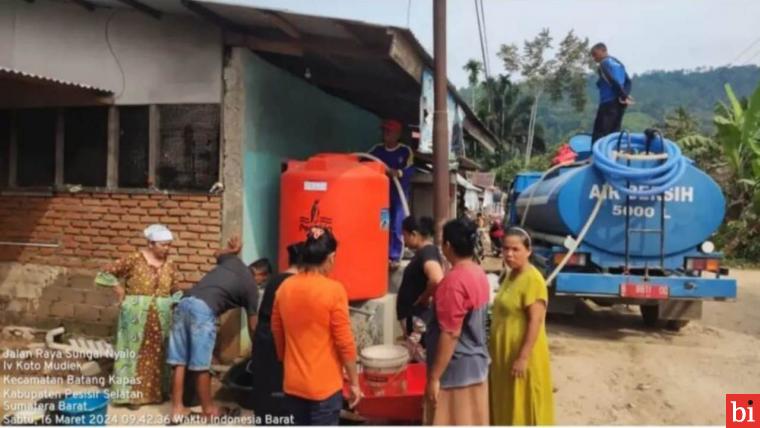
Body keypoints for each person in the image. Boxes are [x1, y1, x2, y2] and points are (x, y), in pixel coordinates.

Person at [271, 228, 361, 425]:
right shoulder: (334, 291)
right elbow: (344, 342)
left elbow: (277, 332)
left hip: (293, 385)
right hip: (324, 389)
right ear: (331, 257)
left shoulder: (284, 288)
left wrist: (287, 362)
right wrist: (354, 383)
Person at [167, 236, 258, 422]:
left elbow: (217, 253)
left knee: (179, 361)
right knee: (201, 364)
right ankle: (209, 412)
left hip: (183, 302)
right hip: (203, 310)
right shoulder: (251, 285)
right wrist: (257, 348)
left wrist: (232, 251)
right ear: (261, 275)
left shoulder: (234, 261)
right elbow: (253, 325)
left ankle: (177, 410)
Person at [100, 224, 182, 409]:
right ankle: (131, 397)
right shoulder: (134, 259)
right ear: (151, 243)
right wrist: (119, 290)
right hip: (135, 315)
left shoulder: (169, 263)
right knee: (132, 353)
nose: (167, 249)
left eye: (169, 245)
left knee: (156, 354)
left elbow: (175, 287)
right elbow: (105, 273)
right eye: (163, 245)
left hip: (161, 316)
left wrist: (174, 301)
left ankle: (155, 394)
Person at [424, 218, 490, 425]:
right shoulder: (478, 272)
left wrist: (434, 377)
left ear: (448, 246)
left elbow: (451, 333)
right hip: (476, 366)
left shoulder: (453, 282)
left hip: (455, 373)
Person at [489, 227, 554, 425]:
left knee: (523, 403)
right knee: (506, 402)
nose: (509, 254)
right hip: (504, 354)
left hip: (522, 355)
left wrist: (523, 357)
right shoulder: (510, 275)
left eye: (515, 249)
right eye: (506, 249)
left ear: (528, 251)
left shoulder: (533, 280)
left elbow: (536, 321)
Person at [249, 242, 303, 421]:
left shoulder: (275, 280)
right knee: (279, 392)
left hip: (263, 336)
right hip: (277, 338)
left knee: (264, 390)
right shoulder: (294, 283)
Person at [369, 119, 415, 269]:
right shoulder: (377, 150)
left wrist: (398, 172)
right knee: (383, 224)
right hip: (382, 197)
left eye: (389, 131)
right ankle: (381, 254)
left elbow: (410, 169)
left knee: (397, 223)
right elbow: (365, 161)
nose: (386, 134)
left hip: (398, 196)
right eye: (384, 131)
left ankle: (394, 257)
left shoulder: (405, 151)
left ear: (397, 134)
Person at [397, 216, 444, 336]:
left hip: (418, 317)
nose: (404, 240)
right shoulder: (426, 252)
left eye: (405, 235)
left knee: (420, 352)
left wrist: (424, 297)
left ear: (414, 234)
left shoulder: (427, 251)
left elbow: (436, 279)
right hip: (415, 317)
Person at [590, 43, 633, 143]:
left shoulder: (604, 63)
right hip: (620, 103)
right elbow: (628, 81)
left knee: (600, 133)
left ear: (603, 51)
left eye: (595, 54)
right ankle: (612, 155)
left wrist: (623, 95)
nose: (594, 58)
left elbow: (612, 80)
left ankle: (597, 156)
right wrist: (625, 96)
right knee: (614, 132)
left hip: (608, 102)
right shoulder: (618, 63)